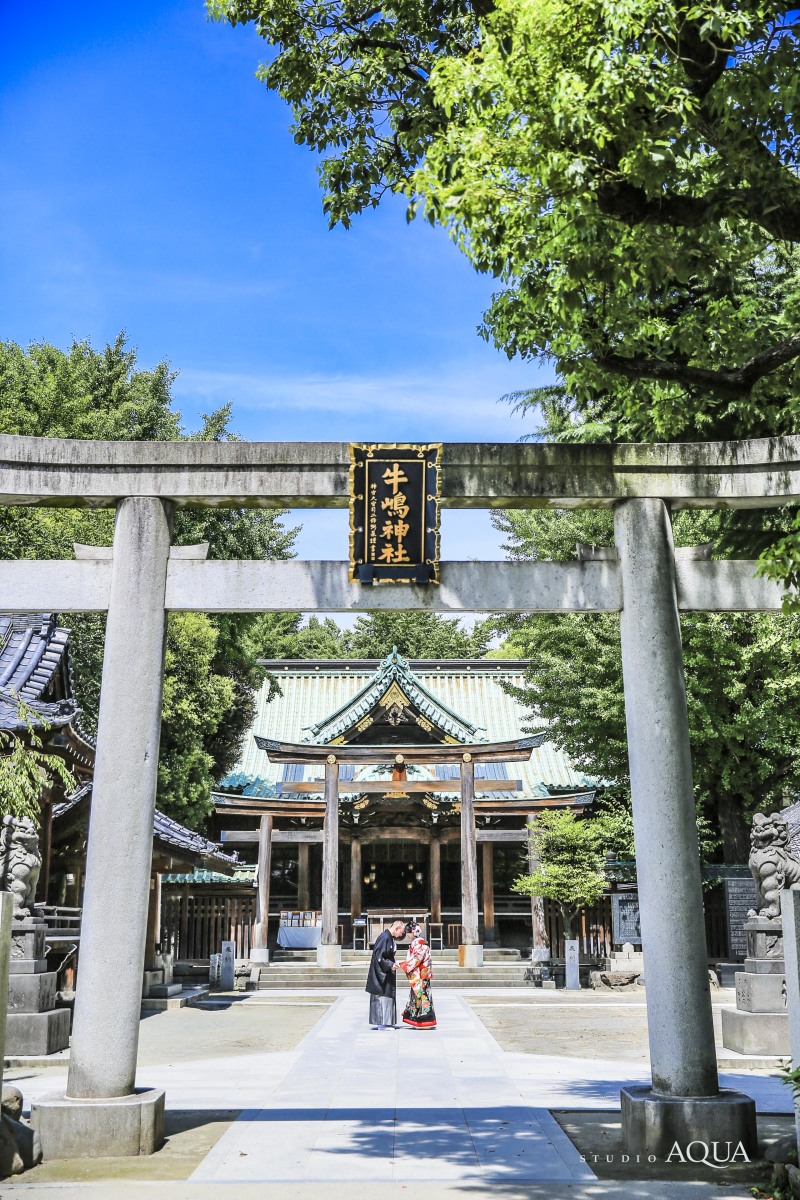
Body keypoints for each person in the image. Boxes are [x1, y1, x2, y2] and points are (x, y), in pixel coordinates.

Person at [365, 919, 406, 1029]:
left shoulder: (388, 937)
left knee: (387, 997)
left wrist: (392, 964)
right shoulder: (385, 937)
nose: (401, 935)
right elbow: (379, 957)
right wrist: (390, 965)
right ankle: (382, 1023)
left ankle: (386, 1022)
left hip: (386, 973)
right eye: (401, 932)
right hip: (381, 974)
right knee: (383, 997)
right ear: (397, 928)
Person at [399, 922, 437, 1029]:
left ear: (412, 933)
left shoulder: (419, 945)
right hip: (422, 973)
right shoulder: (420, 944)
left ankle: (424, 1022)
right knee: (419, 996)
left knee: (421, 996)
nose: (407, 935)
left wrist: (403, 964)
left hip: (420, 975)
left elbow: (415, 960)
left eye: (408, 933)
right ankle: (419, 1021)